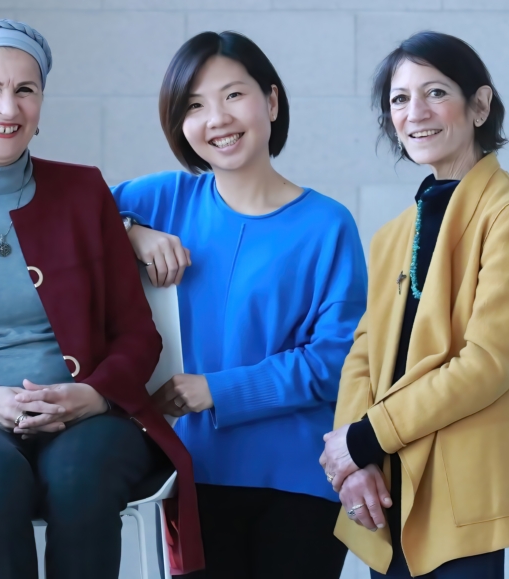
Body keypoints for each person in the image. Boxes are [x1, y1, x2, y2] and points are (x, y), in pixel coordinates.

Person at [0, 18, 204, 579]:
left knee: (82, 476)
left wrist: (92, 395)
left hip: (88, 413)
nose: (9, 106)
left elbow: (136, 335)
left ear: (41, 105)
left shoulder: (83, 192)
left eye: (26, 90)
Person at [112, 31, 367, 579]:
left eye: (233, 95)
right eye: (195, 105)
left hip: (300, 478)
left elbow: (335, 361)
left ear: (271, 102)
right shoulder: (161, 199)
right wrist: (132, 232)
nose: (218, 119)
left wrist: (216, 390)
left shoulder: (327, 224)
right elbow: (68, 224)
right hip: (191, 475)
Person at [320, 31, 509, 579]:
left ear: (480, 105)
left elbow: (487, 364)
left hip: (461, 492)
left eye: (434, 92)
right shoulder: (394, 234)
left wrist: (366, 437)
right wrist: (353, 462)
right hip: (388, 486)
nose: (415, 112)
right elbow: (363, 355)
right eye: (399, 100)